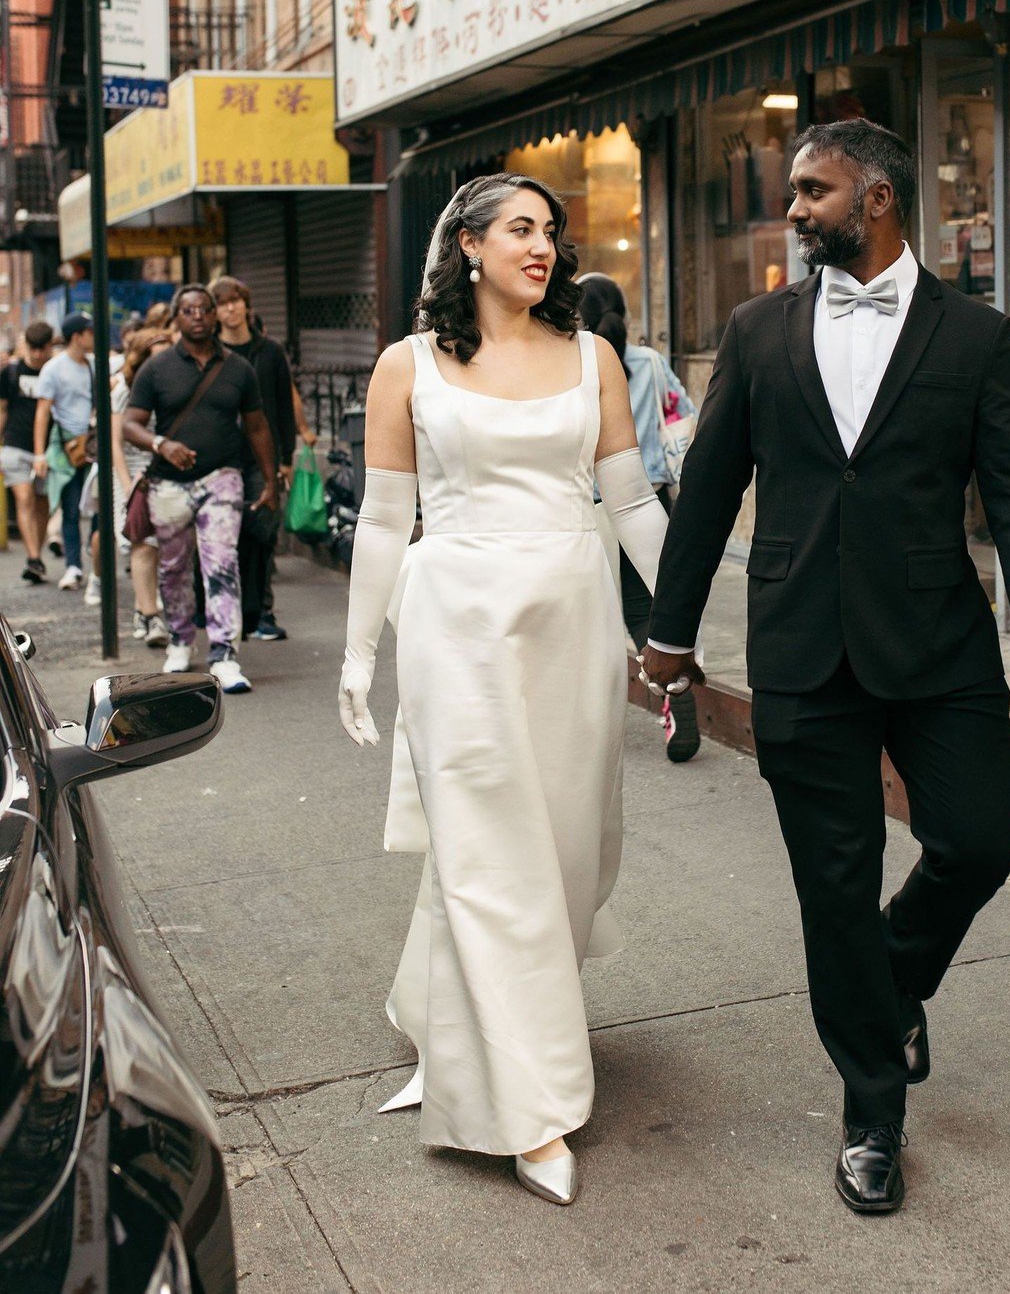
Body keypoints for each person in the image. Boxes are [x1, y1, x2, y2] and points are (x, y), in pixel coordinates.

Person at [642, 119, 1010, 1216]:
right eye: (796, 190)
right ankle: (872, 1107)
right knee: (830, 884)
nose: (793, 207)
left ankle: (891, 978)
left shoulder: (974, 336)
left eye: (812, 189)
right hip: (801, 644)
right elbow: (709, 491)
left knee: (979, 837)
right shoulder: (757, 330)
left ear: (875, 199)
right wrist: (671, 630)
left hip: (938, 642)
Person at [336, 174, 672, 1206]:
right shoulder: (408, 366)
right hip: (457, 628)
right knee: (495, 857)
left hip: (574, 628)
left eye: (552, 231)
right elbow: (387, 520)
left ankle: (448, 1012)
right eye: (522, 228)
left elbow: (633, 501)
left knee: (568, 854)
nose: (544, 244)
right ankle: (525, 1107)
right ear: (469, 246)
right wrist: (358, 657)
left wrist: (690, 621)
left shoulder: (594, 355)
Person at [122, 285, 278, 695]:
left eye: (204, 309)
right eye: (188, 310)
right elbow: (129, 423)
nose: (198, 316)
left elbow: (258, 426)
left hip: (222, 477)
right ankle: (180, 640)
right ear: (176, 318)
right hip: (168, 486)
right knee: (174, 568)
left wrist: (271, 481)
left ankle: (224, 653)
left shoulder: (238, 368)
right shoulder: (156, 370)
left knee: (221, 561)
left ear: (213, 316)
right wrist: (161, 444)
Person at [576, 272, 702, 761]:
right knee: (652, 608)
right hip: (650, 503)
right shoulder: (650, 361)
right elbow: (684, 414)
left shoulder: (579, 363)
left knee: (595, 614)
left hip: (595, 508)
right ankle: (676, 696)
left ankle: (587, 720)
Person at [212, 275, 297, 641]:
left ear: (246, 305)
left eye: (235, 301)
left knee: (262, 533)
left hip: (263, 456)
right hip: (223, 454)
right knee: (225, 536)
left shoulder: (271, 351)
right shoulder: (211, 353)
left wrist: (286, 457)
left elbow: (283, 404)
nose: (230, 308)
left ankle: (262, 610)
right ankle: (228, 610)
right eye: (222, 303)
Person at [112, 326, 171, 646]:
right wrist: (126, 485)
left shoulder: (173, 385)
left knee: (160, 545)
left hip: (161, 471)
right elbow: (115, 444)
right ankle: (150, 616)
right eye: (158, 356)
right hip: (131, 474)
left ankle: (142, 608)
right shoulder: (124, 389)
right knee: (142, 542)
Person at [32, 311, 96, 592]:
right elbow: (42, 412)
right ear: (77, 336)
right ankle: (73, 566)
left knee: (97, 507)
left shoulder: (95, 365)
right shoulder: (54, 369)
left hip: (93, 445)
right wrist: (39, 454)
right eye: (90, 331)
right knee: (70, 509)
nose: (94, 336)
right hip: (68, 449)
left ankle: (95, 559)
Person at [0, 321, 56, 582]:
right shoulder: (10, 373)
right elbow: (1, 410)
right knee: (24, 499)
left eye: (41, 349)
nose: (35, 354)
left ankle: (38, 554)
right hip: (14, 444)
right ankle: (33, 557)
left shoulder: (55, 371)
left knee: (42, 502)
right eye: (32, 348)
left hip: (48, 448)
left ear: (49, 347)